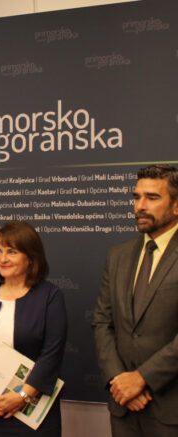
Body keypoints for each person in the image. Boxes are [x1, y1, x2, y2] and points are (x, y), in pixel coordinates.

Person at [93, 164, 178, 436]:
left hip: (170, 409)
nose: (140, 206)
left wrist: (142, 378)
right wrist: (119, 380)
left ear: (176, 206)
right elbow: (103, 323)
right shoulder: (118, 256)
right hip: (124, 407)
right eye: (137, 197)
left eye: (152, 198)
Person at [0, 221, 67, 437]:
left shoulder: (50, 296)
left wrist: (23, 396)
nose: (2, 259)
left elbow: (52, 352)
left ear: (31, 257)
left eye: (11, 252)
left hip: (32, 411)